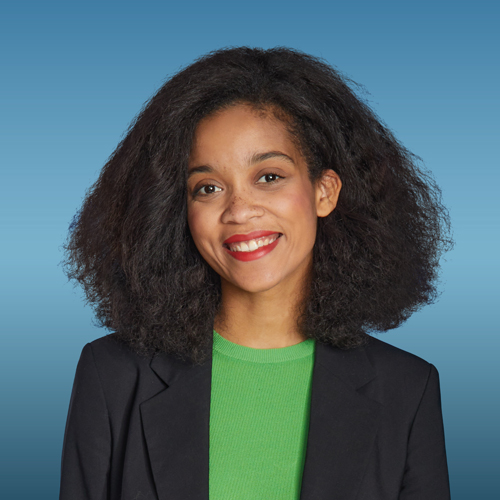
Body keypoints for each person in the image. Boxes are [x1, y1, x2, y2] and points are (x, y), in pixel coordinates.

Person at [60, 46, 453, 499]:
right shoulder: (112, 376)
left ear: (324, 192)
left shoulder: (407, 389)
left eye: (269, 177)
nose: (239, 211)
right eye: (208, 187)